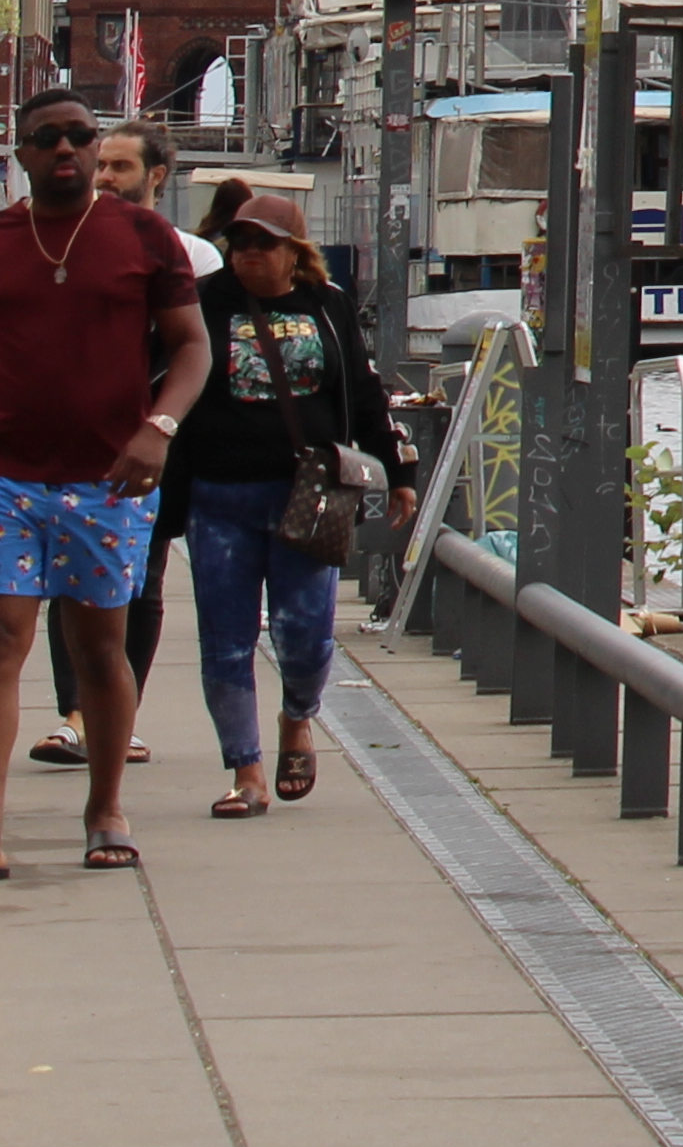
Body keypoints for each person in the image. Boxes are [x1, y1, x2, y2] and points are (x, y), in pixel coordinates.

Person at [0, 88, 211, 877]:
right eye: (46, 137)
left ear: (96, 147)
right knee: (5, 642)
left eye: (79, 135)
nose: (65, 148)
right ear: (21, 154)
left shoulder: (144, 236)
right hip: (8, 478)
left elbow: (191, 346)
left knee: (98, 649)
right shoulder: (5, 237)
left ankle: (106, 806)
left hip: (109, 481)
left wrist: (159, 428)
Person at [175, 202, 407, 819]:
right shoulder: (203, 302)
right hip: (219, 496)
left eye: (265, 243)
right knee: (225, 640)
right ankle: (245, 771)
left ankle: (298, 715)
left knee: (303, 635)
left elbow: (363, 389)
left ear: (295, 252)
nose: (250, 252)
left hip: (308, 495)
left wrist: (398, 472)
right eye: (240, 241)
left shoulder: (326, 306)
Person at [33, 119, 218, 772]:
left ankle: (118, 718)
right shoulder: (64, 242)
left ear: (156, 175)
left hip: (156, 439)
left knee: (142, 582)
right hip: (70, 445)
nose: (106, 177)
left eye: (120, 166)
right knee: (67, 581)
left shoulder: (192, 256)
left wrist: (161, 426)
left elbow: (195, 348)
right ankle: (76, 716)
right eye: (102, 164)